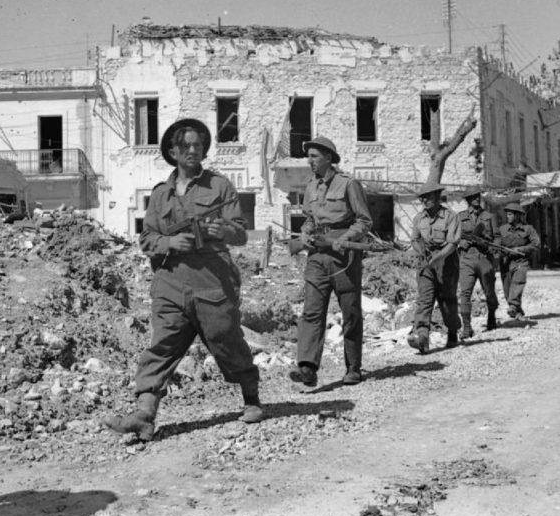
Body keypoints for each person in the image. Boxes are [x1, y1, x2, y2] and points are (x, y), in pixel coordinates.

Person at [105, 118, 262, 441]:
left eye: (198, 145)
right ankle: (145, 415)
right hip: (170, 281)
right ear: (173, 152)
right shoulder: (160, 194)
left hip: (212, 278)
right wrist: (169, 243)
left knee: (225, 339)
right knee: (162, 346)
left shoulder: (219, 186)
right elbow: (147, 239)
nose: (194, 150)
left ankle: (251, 398)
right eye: (187, 146)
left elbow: (241, 234)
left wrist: (225, 230)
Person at [288, 136, 373, 388]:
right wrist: (305, 232)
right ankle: (307, 367)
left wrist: (345, 238)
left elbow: (364, 220)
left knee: (350, 311)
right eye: (309, 156)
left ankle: (353, 367)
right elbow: (310, 219)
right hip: (317, 253)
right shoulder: (311, 186)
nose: (310, 161)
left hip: (343, 251)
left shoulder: (349, 184)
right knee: (312, 311)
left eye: (314, 156)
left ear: (328, 157)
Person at [407, 181, 461, 354]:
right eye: (422, 198)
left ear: (437, 197)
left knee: (447, 301)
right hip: (426, 261)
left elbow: (453, 242)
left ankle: (452, 331)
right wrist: (421, 251)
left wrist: (439, 256)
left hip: (446, 261)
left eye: (428, 197)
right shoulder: (418, 218)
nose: (424, 201)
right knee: (424, 299)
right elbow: (415, 239)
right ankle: (422, 336)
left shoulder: (450, 216)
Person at [457, 186, 500, 335]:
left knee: (489, 291)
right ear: (468, 200)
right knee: (465, 292)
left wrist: (494, 250)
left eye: (478, 196)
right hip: (466, 258)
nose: (476, 199)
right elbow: (453, 237)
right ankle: (467, 327)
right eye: (473, 197)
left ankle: (492, 316)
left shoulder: (489, 216)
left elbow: (497, 237)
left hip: (484, 258)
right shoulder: (459, 217)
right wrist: (459, 243)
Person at [498, 203, 540, 319]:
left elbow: (536, 244)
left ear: (517, 216)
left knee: (517, 283)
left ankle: (513, 306)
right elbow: (496, 244)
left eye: (510, 214)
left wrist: (521, 249)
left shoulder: (529, 229)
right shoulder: (502, 229)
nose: (508, 217)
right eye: (507, 214)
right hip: (506, 263)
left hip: (521, 262)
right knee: (507, 291)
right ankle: (518, 312)